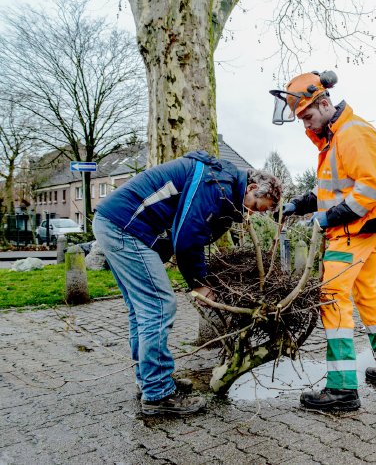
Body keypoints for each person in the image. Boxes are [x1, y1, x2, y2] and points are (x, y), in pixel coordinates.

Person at [93, 151, 281, 416]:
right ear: (251, 188)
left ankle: (150, 380)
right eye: (255, 205)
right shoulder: (216, 185)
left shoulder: (222, 184)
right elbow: (188, 236)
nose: (250, 213)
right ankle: (158, 394)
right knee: (159, 306)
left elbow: (193, 230)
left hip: (117, 224)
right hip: (125, 226)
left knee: (141, 309)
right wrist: (198, 283)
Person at [270, 71, 376, 412]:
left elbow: (371, 189)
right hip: (359, 233)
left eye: (308, 116)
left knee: (332, 298)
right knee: (367, 296)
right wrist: (301, 204)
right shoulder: (335, 138)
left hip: (351, 233)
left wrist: (331, 218)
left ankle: (342, 390)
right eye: (301, 120)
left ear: (325, 103)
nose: (306, 125)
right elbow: (332, 188)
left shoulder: (352, 133)